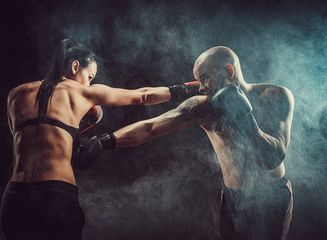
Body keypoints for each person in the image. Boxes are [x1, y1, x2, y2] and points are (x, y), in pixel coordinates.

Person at [82, 46, 294, 240]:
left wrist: (246, 121)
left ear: (229, 71)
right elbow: (152, 127)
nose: (201, 88)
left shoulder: (275, 95)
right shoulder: (204, 106)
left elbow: (274, 158)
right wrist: (105, 141)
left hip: (271, 195)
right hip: (232, 197)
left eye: (205, 78)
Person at [0, 39, 199, 240]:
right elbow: (143, 96)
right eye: (89, 76)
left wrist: (72, 131)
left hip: (16, 197)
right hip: (55, 196)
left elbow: (25, 141)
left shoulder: (15, 95)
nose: (89, 83)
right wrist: (192, 88)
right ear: (75, 66)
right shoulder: (83, 92)